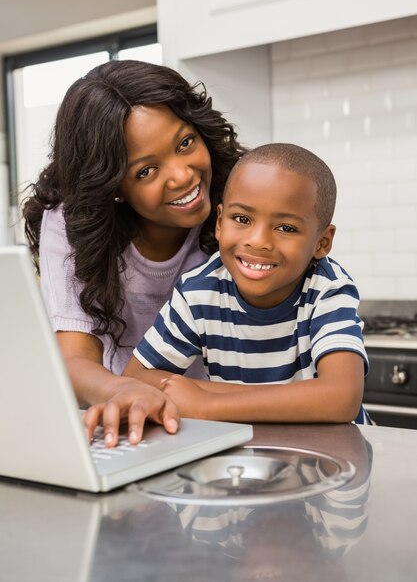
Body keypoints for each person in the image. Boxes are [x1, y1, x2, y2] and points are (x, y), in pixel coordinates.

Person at [22, 59, 244, 445]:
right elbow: (74, 359)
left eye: (185, 143)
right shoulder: (71, 224)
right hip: (137, 428)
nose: (183, 176)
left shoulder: (240, 199)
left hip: (228, 424)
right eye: (146, 171)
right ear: (113, 185)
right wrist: (120, 391)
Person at [122, 142, 371, 424]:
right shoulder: (198, 291)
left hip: (331, 458)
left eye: (286, 228)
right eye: (242, 218)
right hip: (247, 456)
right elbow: (135, 379)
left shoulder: (327, 289)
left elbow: (341, 398)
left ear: (322, 243)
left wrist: (208, 404)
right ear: (219, 223)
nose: (258, 241)